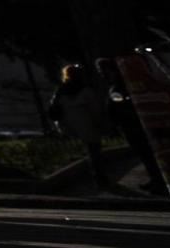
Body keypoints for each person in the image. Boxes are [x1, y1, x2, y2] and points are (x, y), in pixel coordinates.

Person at [47, 62, 122, 193]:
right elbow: (95, 110)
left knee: (84, 152)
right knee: (94, 152)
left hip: (68, 126)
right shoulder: (85, 90)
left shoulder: (60, 91)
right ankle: (100, 178)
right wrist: (102, 124)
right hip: (87, 124)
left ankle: (97, 178)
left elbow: (55, 110)